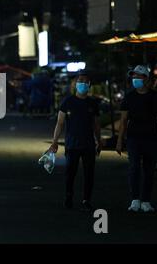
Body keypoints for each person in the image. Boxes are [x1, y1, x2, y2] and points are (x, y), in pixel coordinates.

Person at [116, 65, 157, 213]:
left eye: (138, 77)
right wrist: (120, 140)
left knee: (149, 170)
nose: (135, 79)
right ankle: (135, 199)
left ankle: (146, 200)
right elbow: (123, 120)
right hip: (134, 137)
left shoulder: (156, 96)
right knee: (134, 167)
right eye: (133, 77)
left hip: (152, 138)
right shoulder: (129, 96)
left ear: (146, 79)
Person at [48, 70, 101, 211]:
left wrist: (99, 141)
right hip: (72, 144)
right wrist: (54, 142)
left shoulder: (93, 103)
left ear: (89, 85)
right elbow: (60, 123)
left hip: (89, 144)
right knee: (70, 173)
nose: (82, 83)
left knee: (89, 173)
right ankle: (68, 196)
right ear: (75, 84)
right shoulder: (68, 102)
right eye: (80, 81)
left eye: (85, 81)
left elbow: (96, 124)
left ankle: (86, 200)